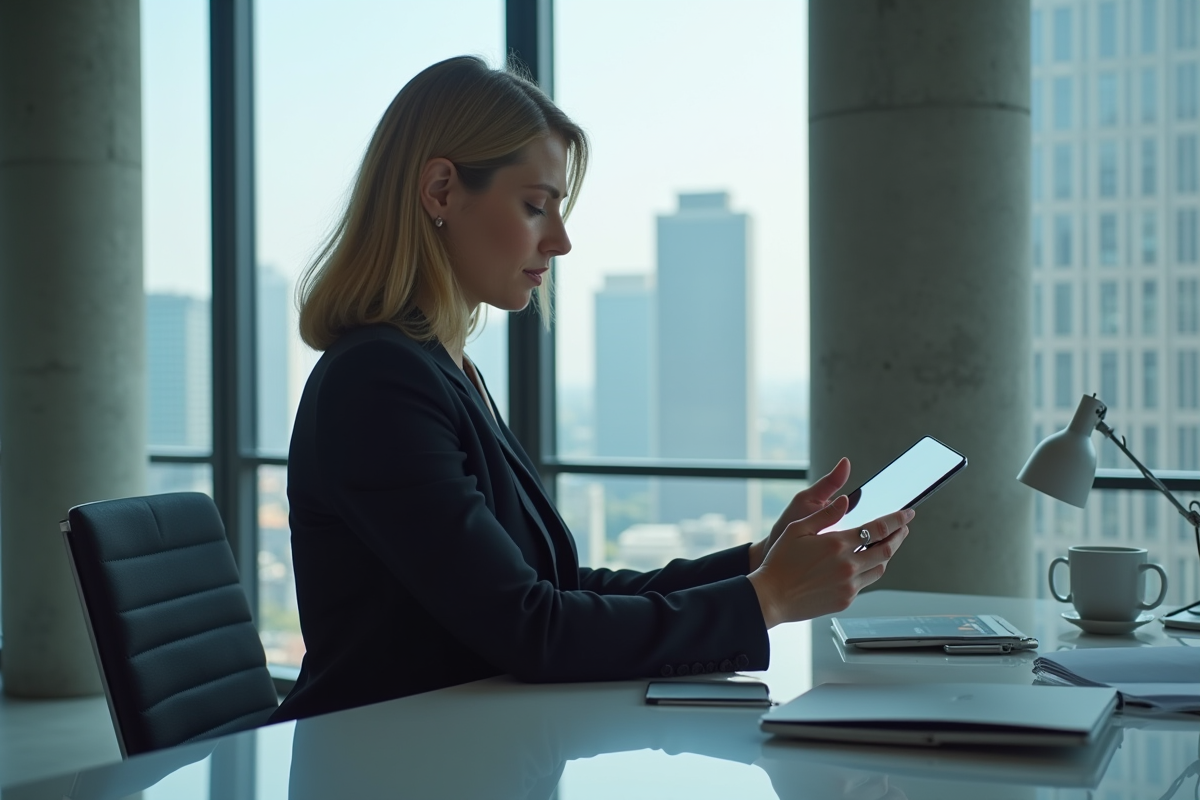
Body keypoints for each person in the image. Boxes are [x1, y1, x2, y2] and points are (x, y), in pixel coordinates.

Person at [271, 55, 912, 723]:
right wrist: (767, 599)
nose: (562, 240)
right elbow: (533, 629)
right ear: (439, 191)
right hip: (384, 766)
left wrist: (760, 562)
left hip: (463, 749)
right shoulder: (378, 384)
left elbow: (554, 588)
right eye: (535, 206)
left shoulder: (441, 371)